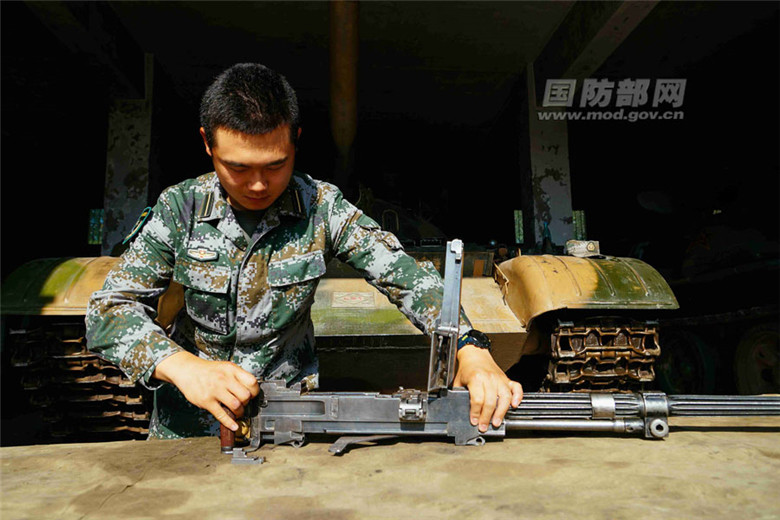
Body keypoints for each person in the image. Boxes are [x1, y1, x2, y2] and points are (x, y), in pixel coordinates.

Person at [86, 63, 523, 440]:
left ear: (296, 139)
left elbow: (407, 278)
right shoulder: (179, 209)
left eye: (275, 165)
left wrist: (470, 348)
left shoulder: (322, 207)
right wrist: (181, 366)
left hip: (289, 427)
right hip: (187, 432)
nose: (258, 185)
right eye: (238, 167)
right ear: (207, 143)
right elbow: (107, 311)